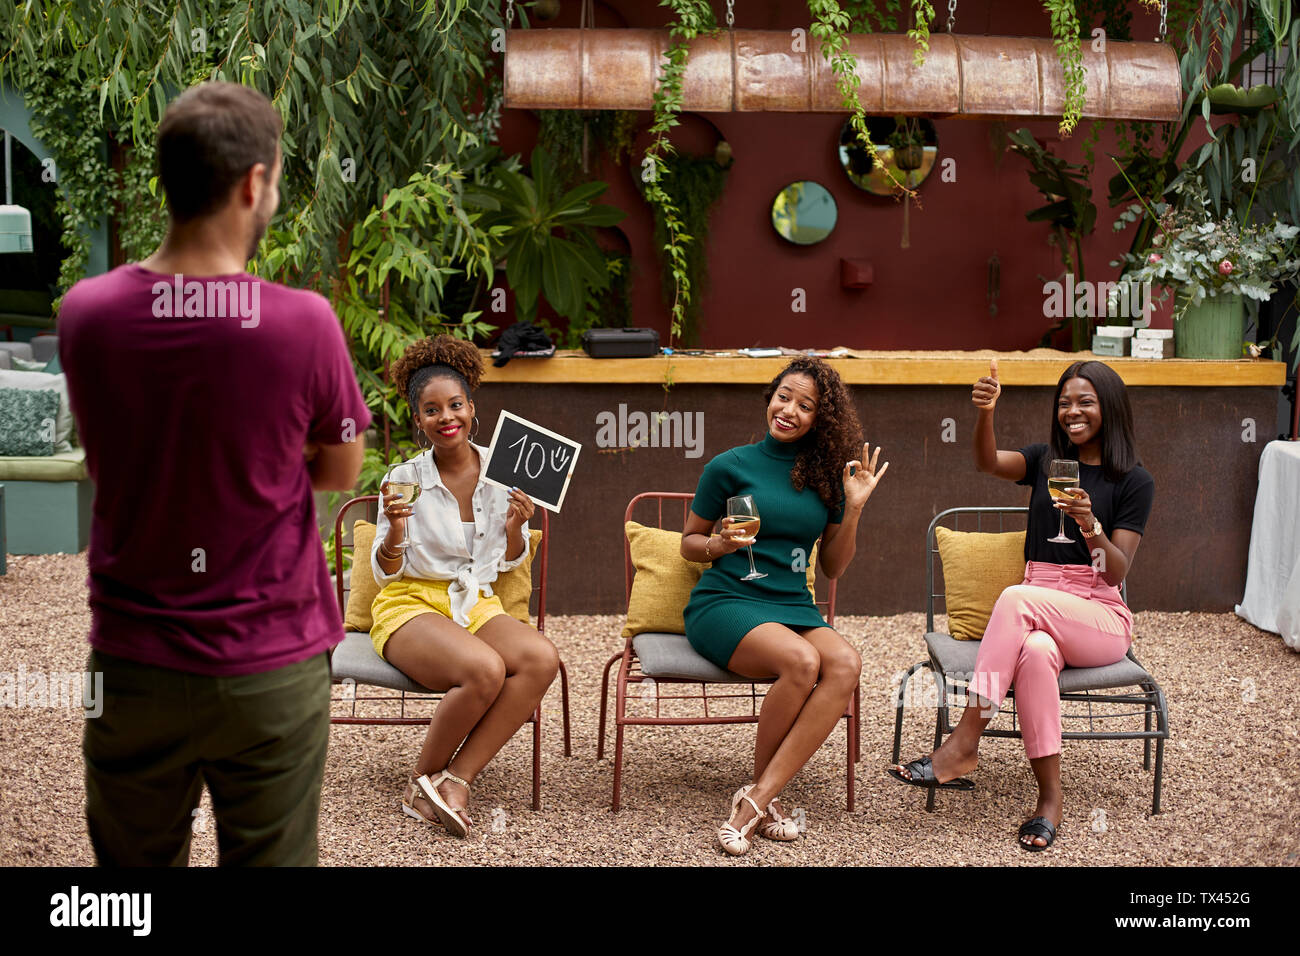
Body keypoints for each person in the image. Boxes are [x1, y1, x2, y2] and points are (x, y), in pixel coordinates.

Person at [58, 81, 369, 865]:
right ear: (254, 183)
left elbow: (115, 456)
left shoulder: (87, 314)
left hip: (132, 664)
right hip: (271, 664)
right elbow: (339, 467)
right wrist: (270, 451)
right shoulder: (303, 323)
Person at [889, 359, 1154, 851]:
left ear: (1110, 408)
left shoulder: (1133, 481)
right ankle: (1049, 801)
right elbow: (986, 462)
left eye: (1085, 402)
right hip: (1039, 610)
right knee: (1032, 653)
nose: (1071, 412)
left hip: (1096, 613)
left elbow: (1115, 572)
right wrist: (986, 412)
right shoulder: (1044, 461)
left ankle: (965, 742)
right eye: (1064, 403)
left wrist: (1089, 523)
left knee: (1015, 599)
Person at [679, 358, 888, 855]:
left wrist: (854, 507)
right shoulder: (728, 466)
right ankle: (758, 804)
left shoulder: (828, 477)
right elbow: (688, 542)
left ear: (820, 419)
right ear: (770, 397)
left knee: (845, 664)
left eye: (805, 405)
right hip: (726, 600)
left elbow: (833, 568)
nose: (789, 410)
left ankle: (757, 795)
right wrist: (720, 546)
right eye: (783, 397)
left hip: (792, 605)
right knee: (801, 661)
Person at [372, 335, 560, 839]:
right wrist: (393, 528)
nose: (445, 417)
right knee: (484, 668)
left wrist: (518, 527)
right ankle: (419, 780)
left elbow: (504, 562)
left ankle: (456, 778)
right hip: (410, 602)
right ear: (419, 420)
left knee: (542, 659)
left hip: (473, 598)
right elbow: (386, 571)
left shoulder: (505, 473)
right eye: (431, 410)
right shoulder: (403, 478)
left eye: (455, 405)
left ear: (472, 409)